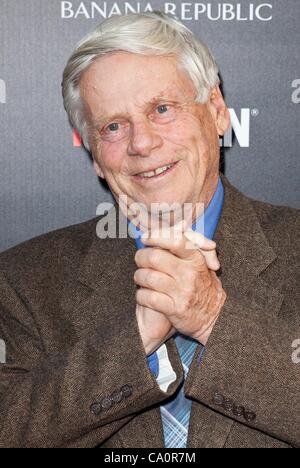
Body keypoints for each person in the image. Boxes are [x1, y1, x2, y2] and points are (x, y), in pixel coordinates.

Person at [0, 12, 299, 448]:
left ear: (217, 112)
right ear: (96, 156)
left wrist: (213, 318)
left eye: (162, 109)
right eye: (113, 127)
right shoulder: (22, 280)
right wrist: (134, 338)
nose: (142, 144)